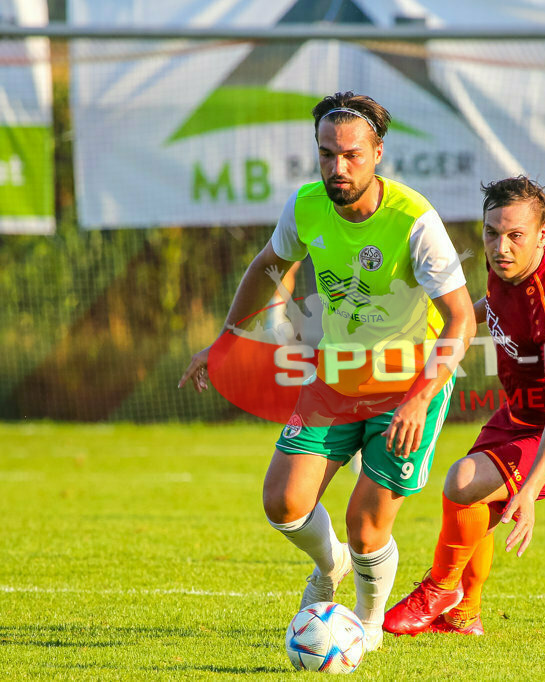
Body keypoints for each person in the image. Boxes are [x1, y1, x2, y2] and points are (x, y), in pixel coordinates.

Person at [178, 92, 475, 649]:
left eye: (351, 155)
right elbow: (268, 265)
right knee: (283, 503)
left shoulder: (415, 221)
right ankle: (329, 565)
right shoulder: (306, 205)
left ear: (378, 153)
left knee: (367, 526)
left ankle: (364, 621)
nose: (338, 167)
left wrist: (419, 399)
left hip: (409, 386)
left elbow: (460, 319)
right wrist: (223, 340)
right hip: (335, 378)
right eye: (326, 155)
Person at [382, 176, 545, 637]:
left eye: (515, 235)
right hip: (522, 412)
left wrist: (530, 492)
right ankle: (464, 615)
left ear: (543, 234)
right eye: (492, 233)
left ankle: (440, 588)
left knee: (465, 480)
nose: (501, 246)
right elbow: (492, 302)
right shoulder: (508, 263)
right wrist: (448, 321)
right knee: (474, 496)